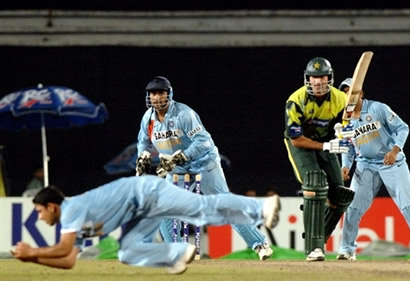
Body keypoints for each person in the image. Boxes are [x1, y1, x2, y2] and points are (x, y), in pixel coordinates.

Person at [11, 175, 281, 274]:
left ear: (52, 206)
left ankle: (262, 206)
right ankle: (177, 253)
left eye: (39, 211)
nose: (39, 217)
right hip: (141, 211)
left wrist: (31, 253)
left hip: (150, 192)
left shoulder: (71, 210)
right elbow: (69, 259)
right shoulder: (71, 219)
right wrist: (32, 259)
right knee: (127, 252)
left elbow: (62, 248)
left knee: (201, 209)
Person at [136, 76, 274, 260]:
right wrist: (143, 156)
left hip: (203, 163)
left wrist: (182, 156)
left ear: (169, 93)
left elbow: (204, 142)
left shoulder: (184, 114)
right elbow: (143, 143)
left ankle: (260, 245)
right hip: (175, 169)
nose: (157, 97)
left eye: (161, 93)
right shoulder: (148, 119)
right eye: (153, 93)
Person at [336, 78, 410, 260]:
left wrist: (395, 150)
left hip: (391, 162)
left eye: (351, 92)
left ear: (361, 93)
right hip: (365, 165)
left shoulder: (378, 108)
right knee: (352, 207)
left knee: (409, 205)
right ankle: (346, 249)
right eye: (344, 93)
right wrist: (345, 166)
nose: (348, 96)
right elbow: (348, 146)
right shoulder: (346, 122)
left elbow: (402, 128)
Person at [283, 57, 355, 261]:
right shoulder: (295, 101)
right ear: (308, 79)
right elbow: (296, 139)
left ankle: (316, 239)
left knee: (340, 195)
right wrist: (326, 145)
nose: (318, 82)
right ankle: (314, 249)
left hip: (326, 143)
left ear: (329, 77)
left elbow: (350, 119)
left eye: (322, 76)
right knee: (314, 183)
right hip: (302, 145)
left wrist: (346, 132)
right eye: (314, 78)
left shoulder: (340, 98)